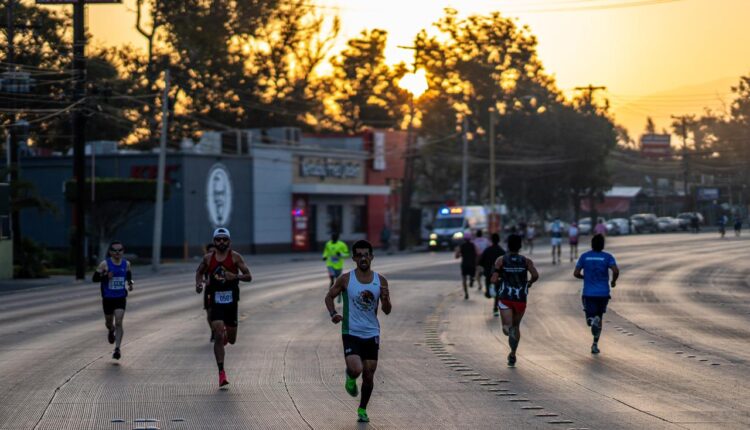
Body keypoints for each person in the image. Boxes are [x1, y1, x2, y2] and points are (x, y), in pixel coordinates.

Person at [325, 240, 392, 423]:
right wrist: (333, 313)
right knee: (356, 369)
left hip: (372, 333)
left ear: (371, 257)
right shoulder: (346, 279)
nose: (363, 258)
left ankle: (362, 409)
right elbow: (329, 296)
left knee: (369, 375)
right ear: (354, 258)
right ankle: (350, 376)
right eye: (359, 255)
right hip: (351, 331)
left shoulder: (381, 281)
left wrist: (385, 299)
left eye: (366, 254)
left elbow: (387, 310)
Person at [195, 227, 253, 387]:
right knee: (218, 334)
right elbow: (199, 272)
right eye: (218, 239)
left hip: (231, 302)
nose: (221, 242)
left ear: (229, 241)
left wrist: (235, 276)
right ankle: (221, 373)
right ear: (214, 241)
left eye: (224, 239)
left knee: (232, 340)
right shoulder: (208, 258)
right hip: (215, 301)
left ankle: (228, 334)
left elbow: (249, 277)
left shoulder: (235, 257)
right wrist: (198, 284)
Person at [490, 234, 539, 367]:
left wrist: (501, 278)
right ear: (520, 246)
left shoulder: (501, 260)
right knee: (516, 326)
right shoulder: (526, 261)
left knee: (506, 327)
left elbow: (493, 279)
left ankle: (508, 330)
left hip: (506, 297)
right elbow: (535, 275)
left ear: (508, 245)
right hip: (520, 299)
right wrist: (529, 283)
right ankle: (512, 353)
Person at [573, 234, 619, 354]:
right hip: (603, 293)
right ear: (602, 245)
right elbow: (615, 270)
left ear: (592, 244)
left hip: (589, 293)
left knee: (590, 320)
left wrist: (584, 277)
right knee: (599, 318)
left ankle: (592, 319)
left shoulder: (585, 256)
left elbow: (576, 273)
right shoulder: (607, 257)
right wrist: (613, 281)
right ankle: (594, 344)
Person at [93, 240, 134, 360]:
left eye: (119, 250)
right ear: (110, 252)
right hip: (108, 298)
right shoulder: (104, 264)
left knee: (119, 322)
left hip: (120, 297)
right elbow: (94, 278)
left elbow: (128, 275)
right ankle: (111, 331)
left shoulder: (126, 264)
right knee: (109, 323)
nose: (117, 252)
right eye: (115, 250)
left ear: (123, 251)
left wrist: (130, 283)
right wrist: (105, 276)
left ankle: (117, 348)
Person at [479, 233, 506, 314]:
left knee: (488, 292)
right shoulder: (502, 251)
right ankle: (495, 307)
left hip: (488, 273)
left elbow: (481, 262)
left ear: (491, 240)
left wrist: (484, 268)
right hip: (498, 274)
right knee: (498, 291)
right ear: (499, 240)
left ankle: (488, 292)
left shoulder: (487, 250)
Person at [323, 232, 350, 303]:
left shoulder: (342, 245)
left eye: (335, 237)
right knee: (332, 279)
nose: (333, 238)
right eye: (332, 237)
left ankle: (339, 295)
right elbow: (326, 251)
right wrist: (324, 256)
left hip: (338, 265)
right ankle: (330, 295)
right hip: (330, 264)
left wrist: (340, 254)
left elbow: (347, 254)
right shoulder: (328, 244)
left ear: (337, 238)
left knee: (338, 282)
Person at [201, 243, 216, 342]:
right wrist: (201, 282)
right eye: (209, 252)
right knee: (209, 313)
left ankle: (222, 329)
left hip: (221, 290)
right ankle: (213, 331)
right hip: (209, 291)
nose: (212, 254)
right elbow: (199, 274)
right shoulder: (205, 262)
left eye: (213, 252)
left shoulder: (222, 261)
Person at [454, 232, 477, 299]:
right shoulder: (473, 245)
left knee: (464, 279)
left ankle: (466, 293)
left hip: (464, 264)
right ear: (470, 238)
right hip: (472, 264)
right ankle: (472, 279)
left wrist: (460, 254)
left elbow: (456, 256)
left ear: (464, 239)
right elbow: (477, 253)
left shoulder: (461, 246)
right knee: (472, 275)